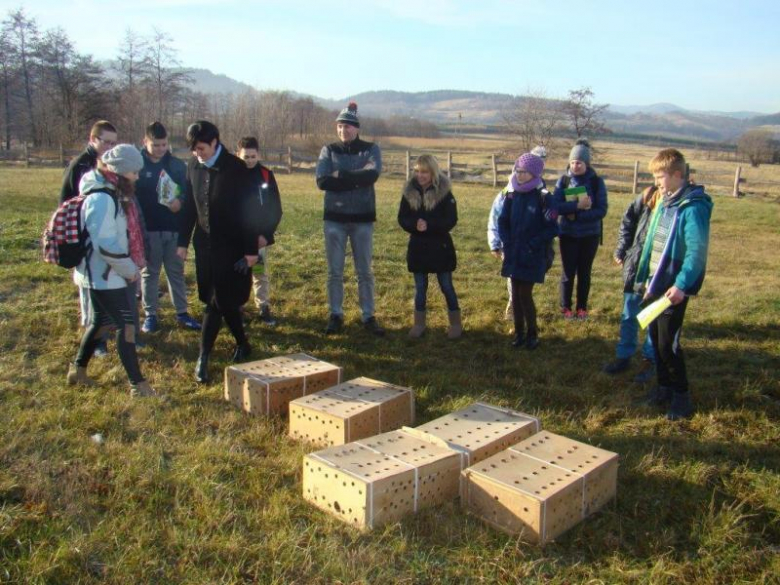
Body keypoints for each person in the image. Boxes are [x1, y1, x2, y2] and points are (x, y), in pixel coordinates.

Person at [67, 144, 156, 397]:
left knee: (100, 323)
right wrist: (129, 270)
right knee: (126, 327)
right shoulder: (102, 198)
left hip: (102, 274)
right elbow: (106, 244)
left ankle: (77, 371)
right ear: (119, 171)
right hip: (106, 276)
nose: (137, 177)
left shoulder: (111, 191)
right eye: (133, 173)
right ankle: (138, 386)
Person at [177, 121, 261, 384]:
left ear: (215, 143)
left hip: (232, 245)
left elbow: (251, 213)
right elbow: (190, 206)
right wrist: (182, 242)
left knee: (217, 300)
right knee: (216, 299)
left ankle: (203, 357)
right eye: (193, 149)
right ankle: (242, 342)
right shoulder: (192, 166)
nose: (197, 153)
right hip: (204, 245)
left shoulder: (236, 168)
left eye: (201, 148)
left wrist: (250, 250)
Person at [634, 148, 712, 420]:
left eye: (660, 176)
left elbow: (696, 252)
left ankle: (682, 396)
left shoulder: (693, 207)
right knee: (655, 340)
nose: (657, 182)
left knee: (669, 344)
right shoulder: (664, 202)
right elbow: (652, 244)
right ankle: (663, 388)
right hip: (656, 285)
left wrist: (681, 285)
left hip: (673, 289)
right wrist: (645, 278)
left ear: (677, 175)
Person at [316, 102, 384, 336]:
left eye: (347, 126)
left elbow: (372, 175)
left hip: (362, 220)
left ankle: (368, 316)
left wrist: (341, 175)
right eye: (339, 126)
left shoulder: (371, 149)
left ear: (356, 128)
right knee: (335, 271)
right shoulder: (328, 150)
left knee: (364, 271)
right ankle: (335, 314)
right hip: (334, 219)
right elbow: (322, 181)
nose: (343, 130)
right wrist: (357, 178)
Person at [136, 121, 201, 333]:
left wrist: (180, 202)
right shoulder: (137, 164)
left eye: (164, 144)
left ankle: (182, 312)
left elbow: (187, 191)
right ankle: (150, 315)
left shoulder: (176, 165)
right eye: (155, 145)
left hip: (173, 229)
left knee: (176, 272)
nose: (160, 149)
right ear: (145, 142)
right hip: (148, 229)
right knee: (150, 273)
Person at [61, 120, 119, 357]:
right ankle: (95, 340)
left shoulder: (110, 166)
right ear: (92, 139)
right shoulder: (80, 166)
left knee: (103, 291)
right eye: (106, 142)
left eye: (114, 143)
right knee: (90, 292)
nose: (109, 147)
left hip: (104, 237)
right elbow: (66, 204)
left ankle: (104, 332)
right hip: (85, 240)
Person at [498, 153, 558, 350]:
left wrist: (534, 244)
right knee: (515, 294)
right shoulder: (511, 194)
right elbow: (503, 220)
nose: (520, 175)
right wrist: (506, 242)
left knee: (525, 294)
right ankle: (519, 333)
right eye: (518, 171)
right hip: (514, 252)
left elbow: (552, 227)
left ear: (535, 174)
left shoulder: (544, 198)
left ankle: (532, 334)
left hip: (532, 254)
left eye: (525, 172)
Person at [398, 154, 461, 339]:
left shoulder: (445, 193)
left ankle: (455, 324)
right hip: (418, 247)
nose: (420, 175)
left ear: (432, 172)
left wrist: (430, 225)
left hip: (440, 247)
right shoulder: (409, 192)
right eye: (417, 171)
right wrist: (413, 225)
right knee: (420, 287)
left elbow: (451, 219)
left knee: (446, 286)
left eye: (424, 171)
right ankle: (419, 324)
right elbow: (402, 217)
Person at [602, 185, 660, 381]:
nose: (659, 181)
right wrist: (622, 249)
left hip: (658, 271)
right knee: (629, 314)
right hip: (636, 265)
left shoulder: (678, 204)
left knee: (653, 318)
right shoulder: (647, 195)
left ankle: (649, 360)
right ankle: (624, 356)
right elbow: (628, 220)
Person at [488, 145, 548, 321]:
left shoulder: (542, 192)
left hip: (532, 248)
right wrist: (495, 242)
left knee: (526, 285)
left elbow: (549, 222)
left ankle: (526, 323)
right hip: (511, 244)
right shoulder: (509, 192)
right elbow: (497, 217)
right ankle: (514, 311)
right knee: (513, 280)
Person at [552, 138, 608, 320]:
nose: (576, 166)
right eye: (573, 162)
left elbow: (602, 210)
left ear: (587, 163)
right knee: (568, 273)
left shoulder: (597, 183)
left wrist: (580, 214)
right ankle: (565, 307)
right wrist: (576, 207)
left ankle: (582, 308)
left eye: (579, 162)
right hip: (567, 234)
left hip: (589, 235)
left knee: (584, 273)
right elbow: (555, 207)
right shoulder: (563, 181)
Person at [237, 136, 283, 326]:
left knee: (258, 271)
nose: (249, 160)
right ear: (237, 154)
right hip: (236, 238)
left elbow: (275, 208)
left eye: (252, 156)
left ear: (258, 155)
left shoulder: (265, 175)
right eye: (245, 157)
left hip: (258, 238)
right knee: (239, 274)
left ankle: (263, 306)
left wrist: (266, 235)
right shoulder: (231, 176)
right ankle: (237, 308)